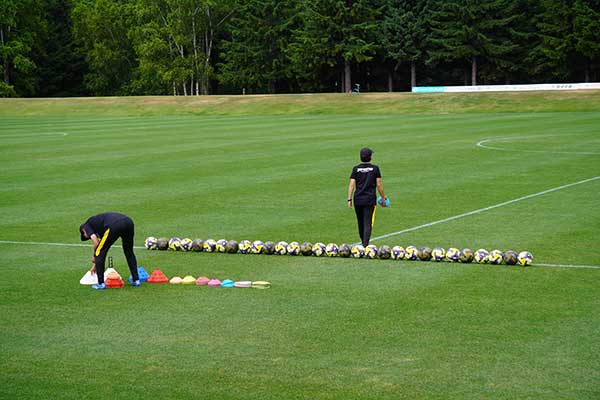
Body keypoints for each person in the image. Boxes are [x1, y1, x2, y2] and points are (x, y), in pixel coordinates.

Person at [79, 212, 140, 289]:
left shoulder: (85, 226)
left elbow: (95, 241)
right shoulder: (99, 227)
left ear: (83, 231)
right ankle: (136, 280)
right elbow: (102, 244)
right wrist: (95, 265)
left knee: (99, 252)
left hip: (114, 225)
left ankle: (101, 284)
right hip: (128, 222)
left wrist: (94, 256)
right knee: (129, 251)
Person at [347, 147, 387, 246]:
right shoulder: (375, 169)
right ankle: (365, 245)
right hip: (369, 199)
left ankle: (363, 243)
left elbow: (351, 185)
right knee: (367, 222)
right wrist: (383, 198)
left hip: (358, 199)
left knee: (360, 222)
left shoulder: (356, 169)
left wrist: (349, 199)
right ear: (370, 157)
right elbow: (379, 185)